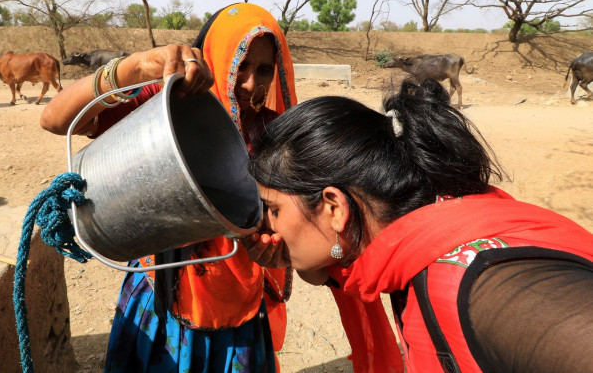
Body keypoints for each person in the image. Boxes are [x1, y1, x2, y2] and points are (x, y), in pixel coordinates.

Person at [245, 79, 593, 373]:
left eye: (273, 209)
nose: (267, 224)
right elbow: (335, 269)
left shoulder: (474, 287)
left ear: (334, 207)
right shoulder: (430, 219)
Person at [40, 2, 296, 372]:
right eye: (239, 64)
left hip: (238, 302)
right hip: (162, 293)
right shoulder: (167, 108)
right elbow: (54, 119)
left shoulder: (277, 136)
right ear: (213, 58)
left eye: (264, 70)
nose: (250, 83)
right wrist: (135, 67)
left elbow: (291, 222)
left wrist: (276, 249)